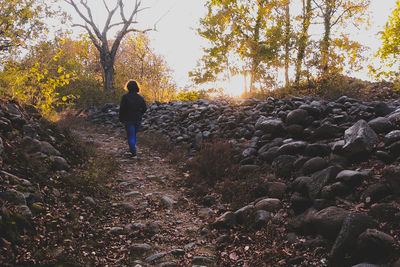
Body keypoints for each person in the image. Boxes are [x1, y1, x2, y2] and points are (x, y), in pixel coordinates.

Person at [119, 80, 147, 157]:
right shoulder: (140, 98)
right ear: (137, 87)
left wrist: (121, 120)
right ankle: (132, 149)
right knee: (134, 134)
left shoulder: (125, 97)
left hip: (128, 119)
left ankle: (133, 151)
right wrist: (140, 113)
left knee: (130, 135)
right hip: (138, 119)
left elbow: (122, 109)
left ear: (128, 87)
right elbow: (145, 108)